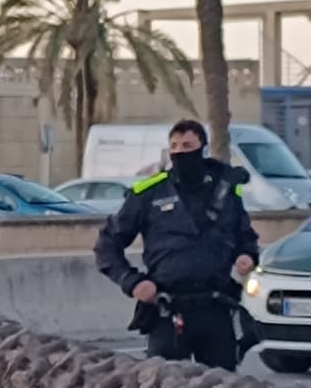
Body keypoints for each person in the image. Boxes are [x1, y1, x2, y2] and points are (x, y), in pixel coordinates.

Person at [94, 119, 259, 370]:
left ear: (202, 147)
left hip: (216, 308)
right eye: (175, 146)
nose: (181, 152)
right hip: (168, 310)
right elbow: (107, 246)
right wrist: (132, 282)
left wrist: (247, 255)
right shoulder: (149, 192)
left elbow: (245, 237)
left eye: (187, 145)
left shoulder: (226, 191)